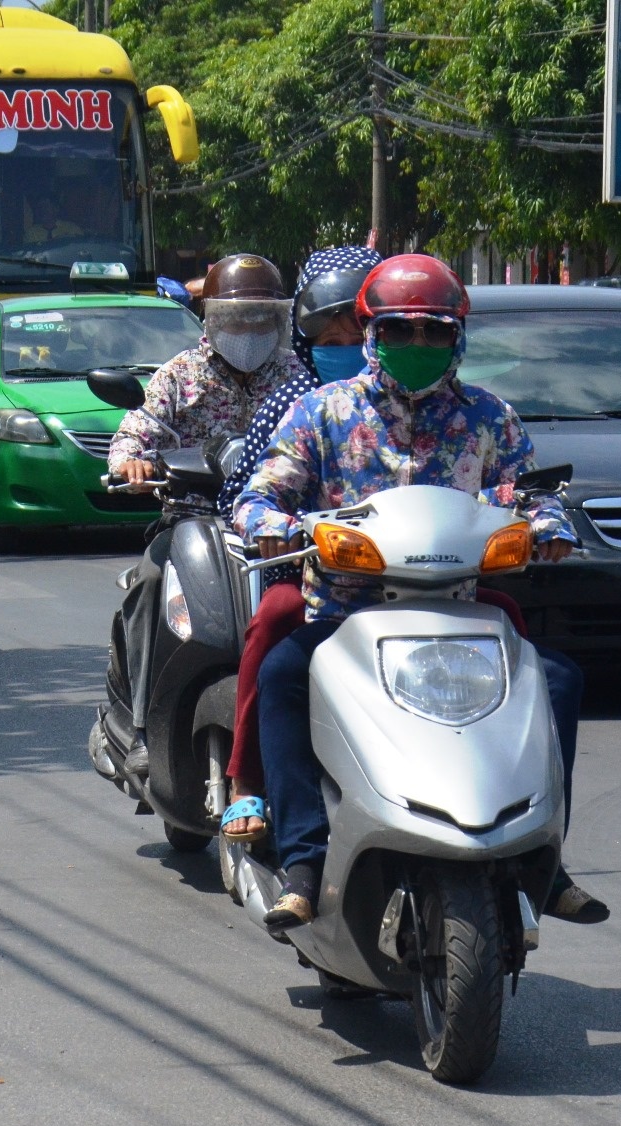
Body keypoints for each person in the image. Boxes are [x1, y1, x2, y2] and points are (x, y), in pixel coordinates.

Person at [235, 254, 608, 930]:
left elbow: (530, 492)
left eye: (435, 333)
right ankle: (302, 862)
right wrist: (275, 526)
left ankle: (544, 862)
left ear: (458, 339)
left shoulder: (489, 417)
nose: (418, 346)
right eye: (401, 332)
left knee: (558, 682)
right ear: (372, 334)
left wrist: (548, 526)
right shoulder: (322, 412)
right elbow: (262, 494)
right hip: (349, 617)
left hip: (460, 619)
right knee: (286, 672)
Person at [106, 253, 307, 775]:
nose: (249, 329)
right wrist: (130, 459)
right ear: (212, 319)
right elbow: (138, 429)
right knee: (150, 585)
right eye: (236, 317)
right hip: (191, 520)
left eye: (262, 317)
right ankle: (145, 727)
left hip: (278, 533)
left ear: (280, 320)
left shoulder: (297, 377)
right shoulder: (180, 375)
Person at [215, 244, 383, 844]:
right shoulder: (296, 404)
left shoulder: (457, 412)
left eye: (358, 326)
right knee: (276, 619)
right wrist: (281, 527)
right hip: (317, 575)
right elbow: (243, 495)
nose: (343, 340)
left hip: (423, 578)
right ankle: (246, 780)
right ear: (304, 332)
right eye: (328, 329)